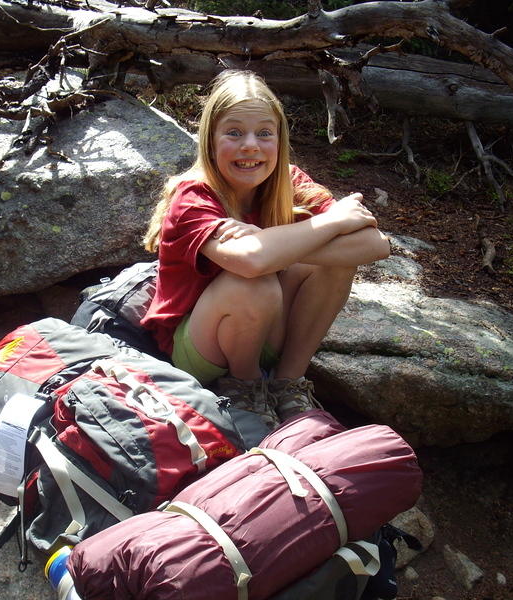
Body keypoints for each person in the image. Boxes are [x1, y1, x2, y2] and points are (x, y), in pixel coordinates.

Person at [141, 69, 390, 429]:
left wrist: (273, 241)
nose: (250, 146)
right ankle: (245, 388)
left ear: (279, 139)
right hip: (197, 346)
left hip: (264, 329)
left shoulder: (288, 180)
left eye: (264, 134)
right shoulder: (194, 196)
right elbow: (252, 260)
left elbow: (374, 244)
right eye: (234, 133)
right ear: (210, 140)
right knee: (252, 280)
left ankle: (288, 385)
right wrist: (332, 224)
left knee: (335, 263)